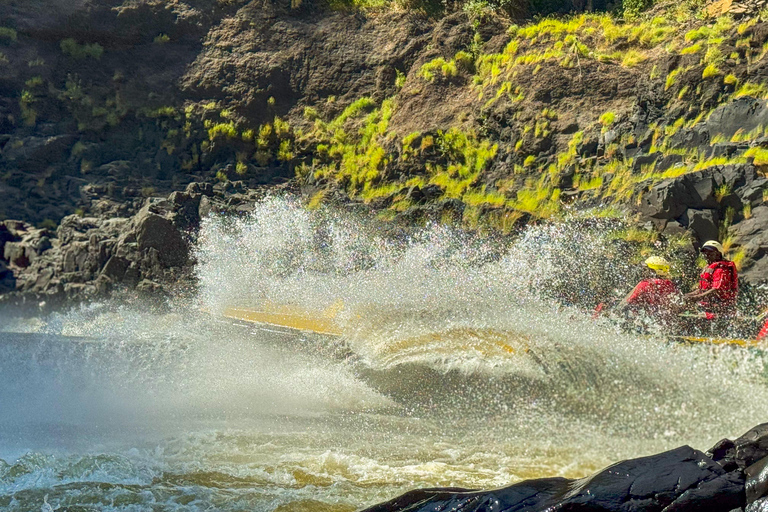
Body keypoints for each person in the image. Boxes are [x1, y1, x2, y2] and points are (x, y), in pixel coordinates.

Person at [684, 240, 738, 319]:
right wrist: (689, 295)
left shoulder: (721, 270)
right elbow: (701, 289)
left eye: (710, 252)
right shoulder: (708, 268)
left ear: (718, 254)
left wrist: (696, 298)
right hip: (708, 307)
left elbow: (716, 290)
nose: (707, 255)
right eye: (705, 252)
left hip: (721, 310)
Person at [619, 256, 680, 325]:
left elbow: (628, 302)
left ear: (654, 271)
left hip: (645, 322)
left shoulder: (645, 284)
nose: (644, 271)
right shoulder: (670, 284)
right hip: (663, 321)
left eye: (647, 269)